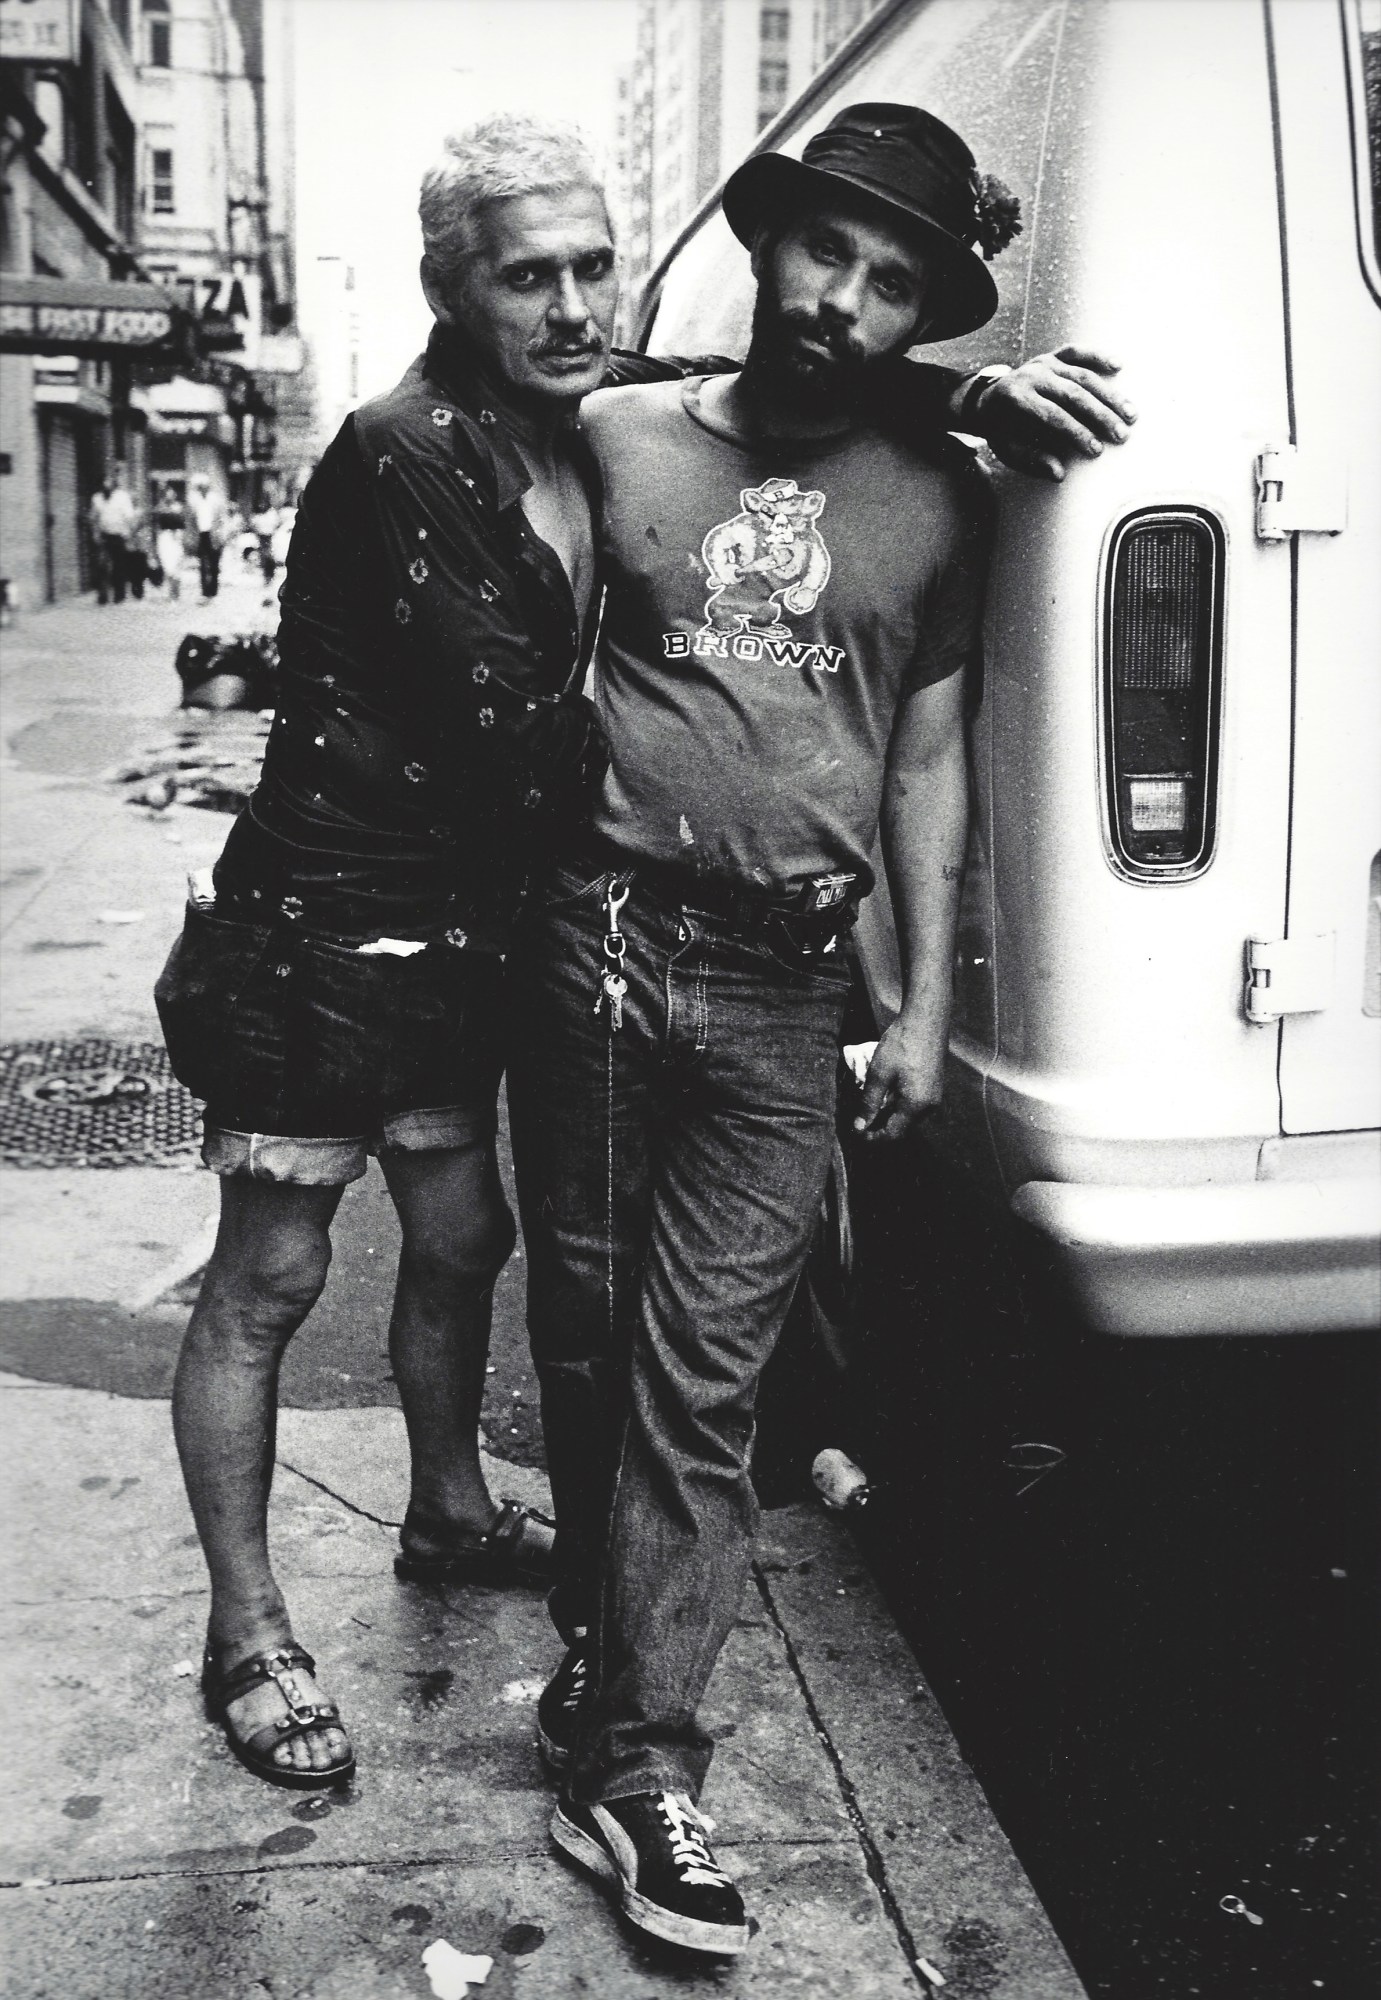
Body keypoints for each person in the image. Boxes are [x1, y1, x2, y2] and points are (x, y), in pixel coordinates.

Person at [152, 113, 1132, 1796]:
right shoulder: (414, 446)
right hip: (327, 925)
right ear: (449, 289)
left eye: (591, 262)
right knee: (273, 1281)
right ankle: (246, 1634)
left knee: (464, 1243)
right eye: (524, 275)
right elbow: (526, 737)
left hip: (468, 929)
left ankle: (451, 1507)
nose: (571, 302)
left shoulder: (592, 400)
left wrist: (956, 392)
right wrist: (721, 813)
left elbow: (757, 375)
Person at [507, 103, 1074, 1955]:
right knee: (590, 1341)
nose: (847, 298)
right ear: (768, 244)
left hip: (782, 981)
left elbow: (922, 748)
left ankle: (641, 1761)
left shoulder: (944, 491)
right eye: (828, 251)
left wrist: (909, 1004)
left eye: (896, 282)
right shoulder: (616, 435)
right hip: (594, 947)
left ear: (926, 318)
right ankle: (613, 1665)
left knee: (712, 1376)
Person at [89, 471, 137, 604]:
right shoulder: (96, 498)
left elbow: (130, 517)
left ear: (114, 485)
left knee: (118, 566)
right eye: (104, 482)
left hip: (119, 535)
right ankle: (102, 594)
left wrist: (130, 535)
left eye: (109, 482)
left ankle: (119, 594)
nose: (107, 485)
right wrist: (95, 534)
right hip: (104, 536)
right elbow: (93, 518)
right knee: (102, 565)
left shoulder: (122, 497)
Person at [189, 476, 224, 600]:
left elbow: (221, 519)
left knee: (214, 564)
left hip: (213, 534)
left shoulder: (216, 500)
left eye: (204, 486)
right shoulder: (195, 501)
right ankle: (205, 591)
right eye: (200, 487)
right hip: (201, 534)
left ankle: (213, 590)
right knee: (203, 563)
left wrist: (221, 535)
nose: (202, 489)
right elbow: (191, 520)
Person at [154, 483, 187, 602]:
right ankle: (171, 591)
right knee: (168, 565)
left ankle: (176, 592)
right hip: (164, 537)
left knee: (176, 564)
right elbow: (157, 526)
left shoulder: (179, 507)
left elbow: (183, 524)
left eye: (172, 494)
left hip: (176, 536)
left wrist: (181, 537)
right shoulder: (160, 508)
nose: (170, 496)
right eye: (167, 494)